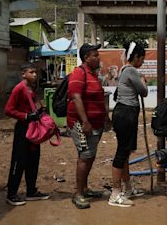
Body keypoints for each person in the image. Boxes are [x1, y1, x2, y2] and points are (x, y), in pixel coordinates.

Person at [67, 43, 109, 209]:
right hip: (82, 124)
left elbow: (99, 98)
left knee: (90, 156)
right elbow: (76, 98)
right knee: (85, 156)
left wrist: (106, 117)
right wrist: (85, 121)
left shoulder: (93, 74)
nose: (98, 58)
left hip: (96, 124)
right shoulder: (79, 73)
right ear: (86, 58)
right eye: (95, 55)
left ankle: (84, 189)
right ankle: (78, 194)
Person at [108, 42, 148, 208]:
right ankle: (115, 193)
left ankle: (128, 187)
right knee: (121, 153)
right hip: (125, 114)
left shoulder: (126, 69)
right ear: (136, 57)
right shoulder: (131, 70)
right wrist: (143, 81)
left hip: (125, 113)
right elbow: (144, 91)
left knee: (125, 152)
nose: (143, 62)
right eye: (142, 58)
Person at [5, 63, 50, 206]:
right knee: (19, 160)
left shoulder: (32, 88)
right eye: (31, 72)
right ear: (23, 74)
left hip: (34, 127)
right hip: (23, 127)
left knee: (33, 159)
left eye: (35, 72)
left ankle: (31, 191)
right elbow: (8, 110)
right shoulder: (19, 88)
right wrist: (26, 116)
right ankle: (11, 194)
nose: (35, 75)